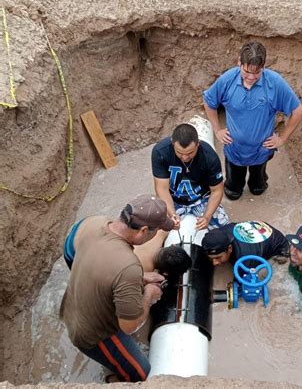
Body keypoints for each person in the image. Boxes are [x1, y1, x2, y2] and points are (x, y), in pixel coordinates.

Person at [60, 195, 190, 382]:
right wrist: (149, 294)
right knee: (141, 372)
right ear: (144, 230)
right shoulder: (128, 267)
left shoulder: (97, 224)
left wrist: (141, 276)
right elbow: (129, 326)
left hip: (73, 304)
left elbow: (101, 263)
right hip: (91, 333)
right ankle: (114, 379)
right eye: (156, 231)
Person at [203, 41, 302, 200]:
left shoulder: (274, 83)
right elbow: (209, 101)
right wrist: (217, 130)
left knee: (258, 187)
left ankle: (257, 185)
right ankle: (234, 187)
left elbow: (298, 111)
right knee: (233, 191)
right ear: (239, 63)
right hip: (234, 149)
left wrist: (282, 139)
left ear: (263, 66)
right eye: (246, 71)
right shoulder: (228, 80)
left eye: (257, 72)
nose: (251, 77)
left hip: (261, 150)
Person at [152, 123, 229, 230]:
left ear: (198, 144)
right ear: (173, 143)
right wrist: (172, 215)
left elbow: (217, 191)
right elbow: (162, 188)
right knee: (157, 230)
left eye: (190, 153)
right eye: (179, 153)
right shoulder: (160, 152)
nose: (184, 157)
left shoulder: (209, 157)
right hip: (173, 200)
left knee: (224, 230)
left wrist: (207, 216)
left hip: (202, 199)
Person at [201, 220, 289, 266]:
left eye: (218, 257)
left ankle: (284, 253)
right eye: (211, 259)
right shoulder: (223, 231)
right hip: (262, 228)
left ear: (230, 248)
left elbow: (242, 283)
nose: (214, 263)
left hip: (279, 245)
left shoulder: (245, 259)